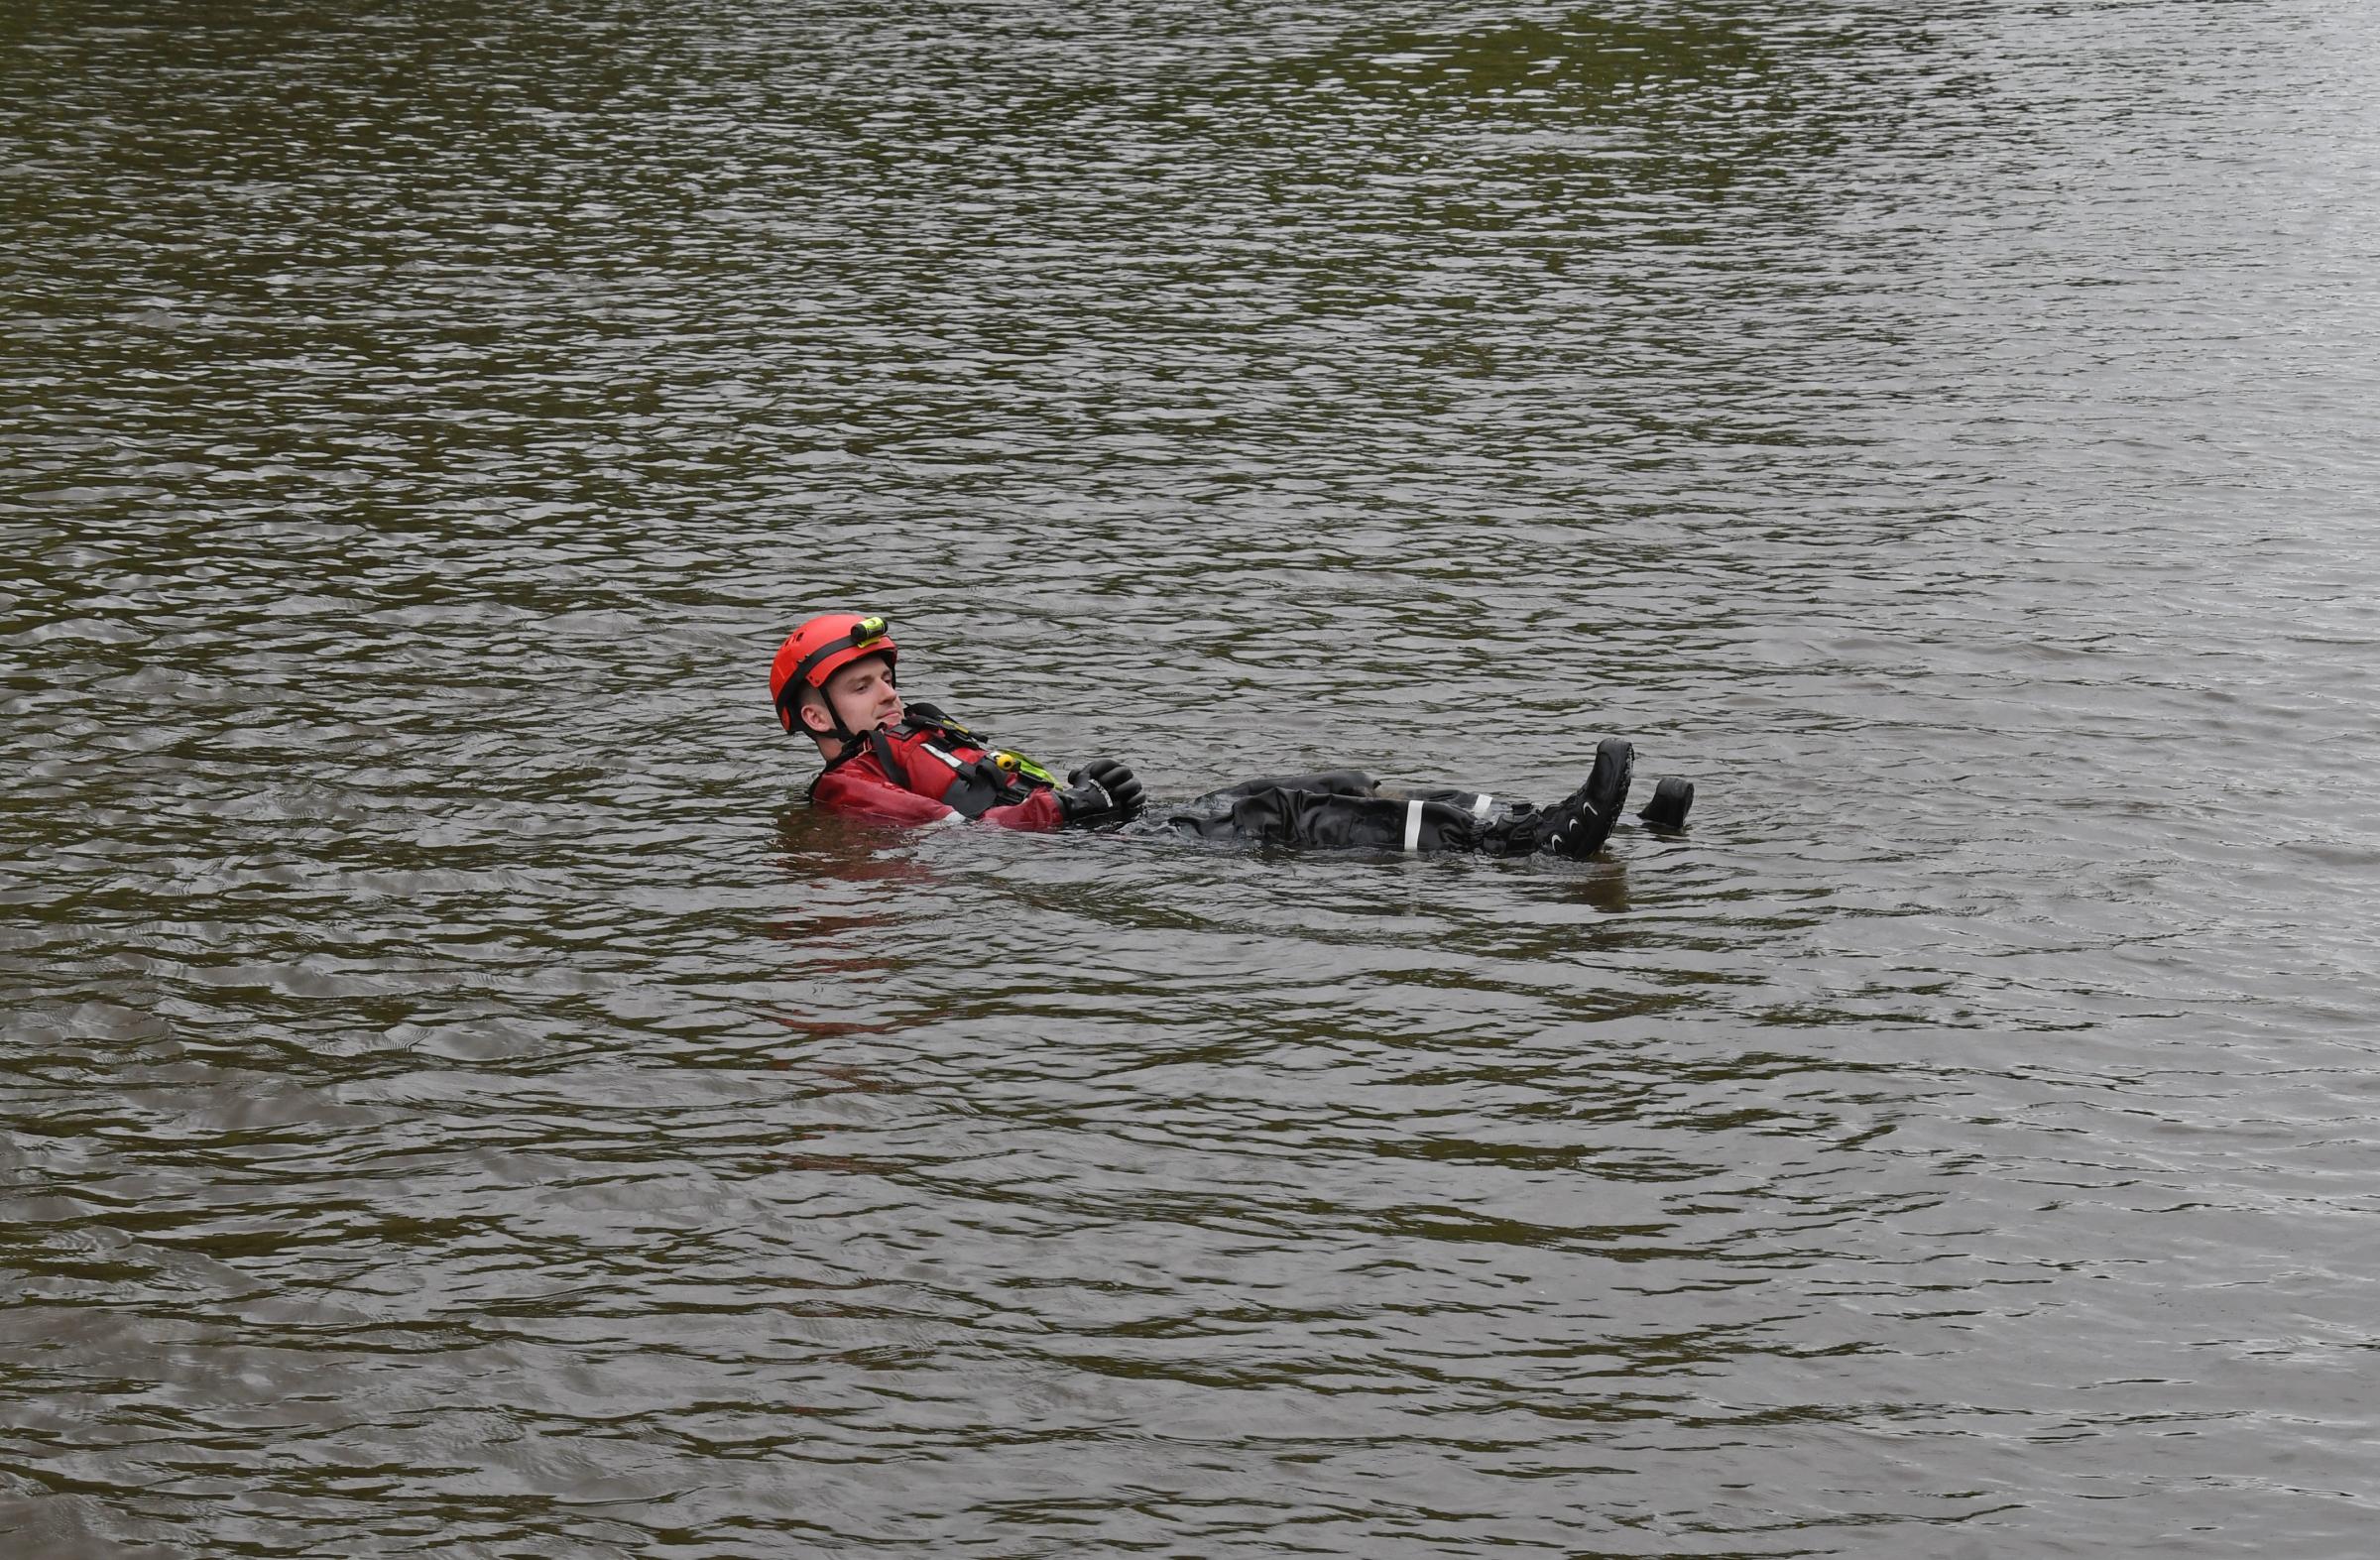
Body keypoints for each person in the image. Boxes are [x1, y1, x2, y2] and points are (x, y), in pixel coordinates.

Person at [769, 612, 1691, 858]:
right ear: (817, 717)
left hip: (1096, 839)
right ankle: (1530, 848)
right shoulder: (847, 790)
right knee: (1283, 812)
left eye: (889, 675)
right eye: (862, 685)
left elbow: (1001, 791)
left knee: (1334, 776)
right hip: (1085, 860)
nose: (888, 693)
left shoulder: (921, 732)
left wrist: (1086, 787)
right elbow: (950, 842)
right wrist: (1062, 809)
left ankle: (1562, 821)